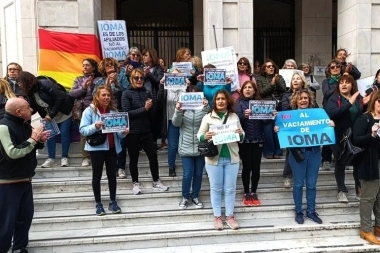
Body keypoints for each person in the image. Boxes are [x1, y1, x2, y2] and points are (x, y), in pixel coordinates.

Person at [274, 89, 331, 225]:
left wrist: (330, 125)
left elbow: (325, 127)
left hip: (314, 152)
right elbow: (283, 131)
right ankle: (298, 211)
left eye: (306, 98)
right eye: (301, 98)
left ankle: (311, 211)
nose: (303, 100)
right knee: (298, 183)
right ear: (296, 101)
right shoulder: (289, 116)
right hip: (297, 153)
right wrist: (278, 128)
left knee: (312, 184)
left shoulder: (317, 115)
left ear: (309, 100)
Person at [0, 97, 49, 253]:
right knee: (6, 222)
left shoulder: (25, 124)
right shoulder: (3, 127)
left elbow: (29, 146)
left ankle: (19, 247)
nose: (32, 110)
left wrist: (39, 141)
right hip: (6, 183)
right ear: (18, 112)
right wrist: (33, 139)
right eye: (28, 108)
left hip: (25, 180)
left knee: (25, 218)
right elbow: (12, 153)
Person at [197, 90, 244, 230]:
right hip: (213, 159)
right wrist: (205, 136)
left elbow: (242, 137)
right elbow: (199, 135)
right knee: (216, 189)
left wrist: (240, 134)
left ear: (227, 100)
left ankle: (229, 216)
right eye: (218, 99)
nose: (221, 101)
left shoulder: (234, 116)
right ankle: (217, 217)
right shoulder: (208, 117)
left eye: (223, 99)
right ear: (215, 101)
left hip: (232, 158)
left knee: (230, 189)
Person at [80, 86, 128, 215]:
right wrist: (95, 126)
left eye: (108, 95)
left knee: (112, 175)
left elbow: (119, 134)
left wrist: (123, 132)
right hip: (96, 148)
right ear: (97, 96)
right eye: (103, 95)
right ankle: (98, 203)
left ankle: (113, 201)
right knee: (97, 176)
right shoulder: (89, 111)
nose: (106, 97)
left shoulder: (114, 111)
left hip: (112, 148)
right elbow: (83, 130)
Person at [122, 68, 169, 194]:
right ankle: (135, 183)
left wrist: (151, 106)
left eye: (141, 78)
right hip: (133, 132)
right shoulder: (126, 93)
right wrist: (144, 108)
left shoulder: (147, 93)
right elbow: (127, 113)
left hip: (146, 131)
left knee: (153, 157)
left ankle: (156, 180)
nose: (139, 80)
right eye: (136, 78)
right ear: (131, 79)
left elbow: (152, 114)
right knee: (133, 159)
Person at [17, 71, 75, 168]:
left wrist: (51, 114)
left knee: (64, 133)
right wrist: (24, 115)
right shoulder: (29, 92)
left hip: (63, 111)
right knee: (49, 134)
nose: (19, 85)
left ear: (26, 80)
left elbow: (59, 98)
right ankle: (51, 158)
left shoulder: (44, 83)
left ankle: (64, 158)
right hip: (49, 115)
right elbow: (33, 107)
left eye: (20, 82)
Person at [325, 75, 369, 203]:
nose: (343, 85)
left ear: (352, 85)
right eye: (341, 83)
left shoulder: (358, 99)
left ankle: (359, 190)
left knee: (358, 164)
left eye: (347, 83)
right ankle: (341, 190)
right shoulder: (333, 98)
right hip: (339, 136)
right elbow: (333, 113)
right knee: (340, 163)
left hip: (356, 136)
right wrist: (349, 103)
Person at [172, 85, 209, 209]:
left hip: (200, 146)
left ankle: (195, 196)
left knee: (198, 174)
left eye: (196, 94)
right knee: (188, 174)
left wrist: (206, 107)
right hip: (186, 146)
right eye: (190, 94)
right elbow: (175, 123)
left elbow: (208, 121)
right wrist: (178, 110)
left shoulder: (203, 108)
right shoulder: (182, 108)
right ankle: (185, 196)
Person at [281, 73, 319, 188]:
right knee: (291, 151)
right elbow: (284, 110)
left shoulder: (309, 94)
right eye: (293, 79)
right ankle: (288, 176)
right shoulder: (286, 95)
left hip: (308, 129)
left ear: (302, 81)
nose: (295, 80)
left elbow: (316, 110)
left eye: (298, 78)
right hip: (294, 128)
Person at [353, 91, 380, 245]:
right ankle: (366, 229)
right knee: (368, 198)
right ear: (374, 101)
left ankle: (378, 226)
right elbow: (356, 139)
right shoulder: (365, 119)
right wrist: (372, 135)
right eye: (379, 101)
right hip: (370, 164)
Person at [163, 47, 195, 177]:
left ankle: (187, 165)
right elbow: (162, 100)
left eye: (179, 75)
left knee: (185, 142)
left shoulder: (186, 86)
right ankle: (171, 166)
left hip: (185, 118)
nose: (176, 76)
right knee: (173, 144)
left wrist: (188, 84)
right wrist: (161, 85)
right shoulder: (166, 88)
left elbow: (192, 99)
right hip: (172, 118)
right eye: (173, 74)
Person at [235, 81, 265, 206]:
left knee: (256, 168)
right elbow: (235, 120)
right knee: (247, 167)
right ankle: (246, 192)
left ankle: (254, 191)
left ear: (254, 90)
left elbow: (266, 122)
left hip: (258, 140)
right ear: (242, 90)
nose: (247, 89)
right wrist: (243, 116)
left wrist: (271, 116)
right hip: (245, 140)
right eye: (245, 87)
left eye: (250, 87)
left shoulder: (260, 103)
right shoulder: (238, 103)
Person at [70, 58, 102, 167]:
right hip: (82, 110)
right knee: (84, 134)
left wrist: (92, 85)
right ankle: (85, 157)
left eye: (87, 65)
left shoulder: (99, 79)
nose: (84, 67)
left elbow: (102, 93)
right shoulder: (78, 79)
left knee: (97, 131)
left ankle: (97, 155)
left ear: (93, 67)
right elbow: (72, 94)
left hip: (96, 109)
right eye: (83, 65)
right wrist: (83, 88)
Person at [256, 59, 286, 159]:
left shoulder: (279, 77)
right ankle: (268, 151)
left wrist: (277, 82)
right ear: (264, 69)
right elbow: (260, 93)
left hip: (278, 106)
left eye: (272, 66)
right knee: (268, 129)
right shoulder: (260, 79)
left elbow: (283, 90)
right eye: (268, 66)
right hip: (266, 106)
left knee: (278, 129)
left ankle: (278, 151)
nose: (271, 68)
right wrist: (272, 84)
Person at [321, 59, 344, 171]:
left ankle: (342, 159)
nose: (335, 69)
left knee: (342, 136)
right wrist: (339, 84)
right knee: (328, 135)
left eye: (337, 67)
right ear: (329, 69)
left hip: (342, 110)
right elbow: (326, 94)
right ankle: (326, 159)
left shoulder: (345, 80)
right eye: (332, 67)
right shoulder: (327, 82)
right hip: (329, 111)